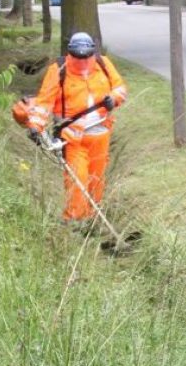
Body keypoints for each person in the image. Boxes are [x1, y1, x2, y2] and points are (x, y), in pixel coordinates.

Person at [28, 32, 128, 225]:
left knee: (96, 181)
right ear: (70, 53)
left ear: (92, 52)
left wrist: (113, 99)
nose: (83, 61)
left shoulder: (104, 65)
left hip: (101, 134)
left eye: (86, 57)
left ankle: (92, 220)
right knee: (77, 180)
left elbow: (120, 88)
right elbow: (44, 102)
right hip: (73, 137)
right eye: (78, 57)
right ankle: (74, 222)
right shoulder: (58, 70)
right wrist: (35, 125)